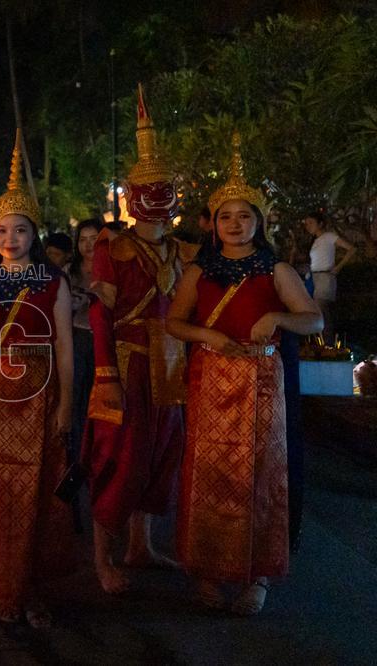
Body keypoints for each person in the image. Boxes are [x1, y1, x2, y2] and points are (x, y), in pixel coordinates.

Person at [166, 136, 322, 615]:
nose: (234, 224)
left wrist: (276, 317)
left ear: (259, 221)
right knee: (209, 474)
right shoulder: (200, 270)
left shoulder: (275, 269)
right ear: (214, 224)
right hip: (210, 379)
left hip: (262, 382)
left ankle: (258, 577)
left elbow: (314, 320)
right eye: (225, 217)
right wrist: (208, 337)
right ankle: (208, 571)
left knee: (260, 475)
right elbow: (174, 322)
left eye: (244, 216)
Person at [83, 85, 199, 594]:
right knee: (120, 457)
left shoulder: (183, 251)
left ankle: (141, 545)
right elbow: (99, 312)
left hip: (169, 364)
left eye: (163, 189)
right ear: (131, 197)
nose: (156, 198)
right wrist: (105, 373)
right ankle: (102, 558)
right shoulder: (113, 246)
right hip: (126, 362)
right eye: (147, 190)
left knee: (161, 455)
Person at [0, 132, 76, 626]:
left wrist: (66, 404)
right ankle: (1, 585)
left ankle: (28, 590)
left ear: (35, 235)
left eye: (21, 231)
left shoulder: (53, 282)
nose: (11, 239)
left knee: (37, 494)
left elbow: (65, 347)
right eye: (2, 230)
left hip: (40, 395)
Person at [68, 219, 104, 464]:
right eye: (83, 240)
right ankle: (76, 455)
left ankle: (98, 452)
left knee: (99, 398)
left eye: (94, 239)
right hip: (77, 338)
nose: (88, 245)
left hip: (103, 338)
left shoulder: (113, 268)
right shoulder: (70, 271)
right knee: (77, 397)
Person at [302, 210, 355, 343]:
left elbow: (352, 249)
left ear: (320, 224)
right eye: (306, 223)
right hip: (314, 278)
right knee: (317, 312)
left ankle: (328, 344)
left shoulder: (329, 236)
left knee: (321, 311)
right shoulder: (315, 241)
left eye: (311, 223)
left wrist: (338, 267)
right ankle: (321, 343)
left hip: (325, 278)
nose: (308, 226)